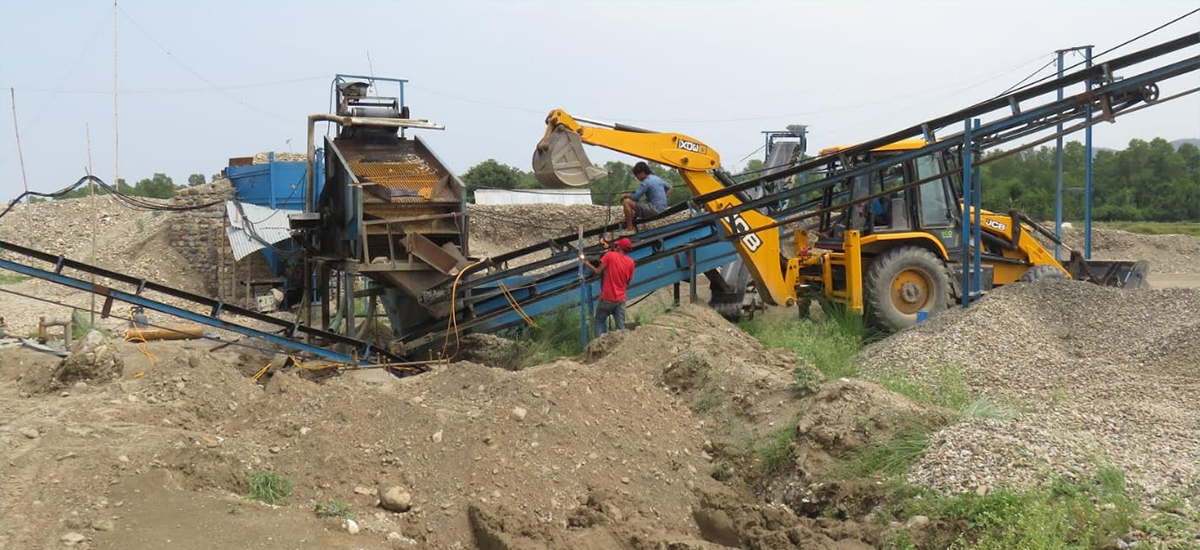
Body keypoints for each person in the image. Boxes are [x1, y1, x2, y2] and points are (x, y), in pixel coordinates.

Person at [582, 237, 635, 337]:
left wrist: (586, 263)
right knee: (620, 327)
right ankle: (620, 348)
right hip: (620, 299)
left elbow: (598, 271)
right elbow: (627, 281)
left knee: (599, 321)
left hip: (606, 297)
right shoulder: (631, 263)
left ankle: (599, 346)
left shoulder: (610, 255)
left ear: (619, 247)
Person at [622, 162, 672, 232]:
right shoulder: (656, 178)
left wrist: (625, 195)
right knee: (636, 205)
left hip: (654, 209)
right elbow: (669, 188)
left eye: (637, 176)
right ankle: (627, 220)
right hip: (662, 208)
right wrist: (664, 198)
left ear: (642, 173)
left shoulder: (646, 182)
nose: (637, 178)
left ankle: (629, 228)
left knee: (626, 202)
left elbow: (635, 197)